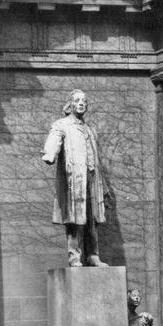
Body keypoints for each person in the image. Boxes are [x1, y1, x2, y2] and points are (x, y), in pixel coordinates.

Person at [42, 89, 108, 267]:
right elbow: (54, 139)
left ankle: (93, 255)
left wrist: (105, 187)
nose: (81, 103)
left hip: (92, 179)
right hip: (75, 180)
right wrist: (50, 153)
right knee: (75, 220)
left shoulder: (90, 130)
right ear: (70, 104)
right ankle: (74, 256)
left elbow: (97, 158)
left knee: (93, 220)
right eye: (77, 100)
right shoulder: (62, 125)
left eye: (84, 101)